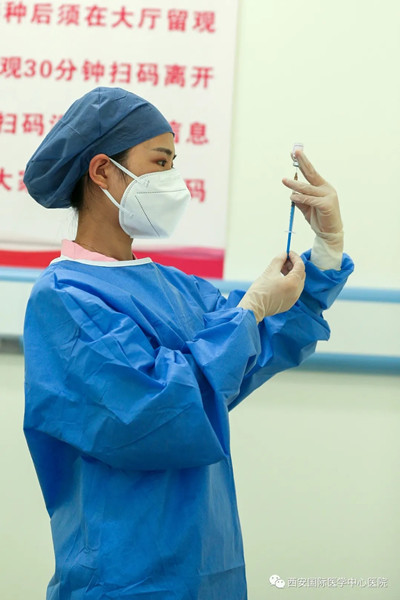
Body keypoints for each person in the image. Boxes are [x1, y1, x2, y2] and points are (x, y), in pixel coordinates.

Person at [22, 86, 353, 600]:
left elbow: (253, 345)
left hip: (208, 567)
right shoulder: (65, 298)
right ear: (103, 171)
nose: (172, 179)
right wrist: (248, 312)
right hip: (123, 578)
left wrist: (326, 250)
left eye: (174, 163)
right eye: (160, 161)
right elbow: (157, 411)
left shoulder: (175, 288)